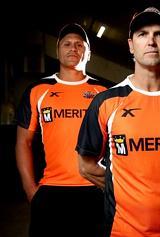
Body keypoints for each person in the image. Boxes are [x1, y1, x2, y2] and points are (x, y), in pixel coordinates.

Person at [76, 6, 160, 237]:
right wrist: (123, 188)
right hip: (125, 231)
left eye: (159, 34)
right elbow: (85, 165)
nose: (151, 41)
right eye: (142, 34)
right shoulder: (106, 102)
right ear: (131, 44)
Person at [15, 23, 108, 237]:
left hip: (95, 189)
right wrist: (31, 191)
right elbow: (23, 142)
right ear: (57, 51)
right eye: (66, 44)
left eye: (79, 44)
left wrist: (111, 185)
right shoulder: (38, 90)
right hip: (51, 191)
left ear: (89, 53)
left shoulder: (103, 92)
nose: (73, 48)